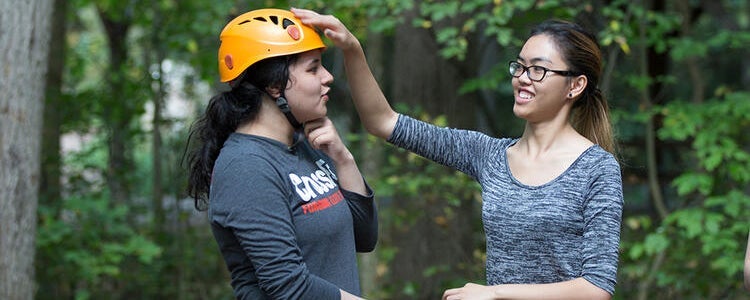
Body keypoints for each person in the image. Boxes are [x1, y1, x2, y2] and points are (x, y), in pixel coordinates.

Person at [293, 8, 623, 300]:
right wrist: (352, 49)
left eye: (538, 69)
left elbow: (595, 287)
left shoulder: (596, 168)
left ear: (575, 86)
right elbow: (384, 121)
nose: (522, 78)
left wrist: (495, 293)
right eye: (519, 66)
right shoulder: (490, 155)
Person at [186, 8, 377, 300]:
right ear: (275, 86)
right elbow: (289, 287)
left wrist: (343, 158)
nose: (328, 77)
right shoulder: (245, 167)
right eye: (313, 69)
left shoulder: (307, 147)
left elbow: (363, 237)